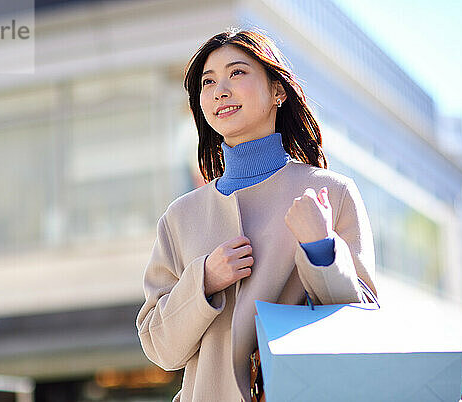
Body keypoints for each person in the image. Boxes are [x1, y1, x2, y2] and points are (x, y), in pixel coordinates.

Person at [135, 27, 377, 402]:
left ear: (277, 91)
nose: (220, 90)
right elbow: (160, 348)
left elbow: (364, 321)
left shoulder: (332, 193)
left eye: (237, 73)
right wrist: (203, 281)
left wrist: (322, 250)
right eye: (208, 81)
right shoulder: (179, 217)